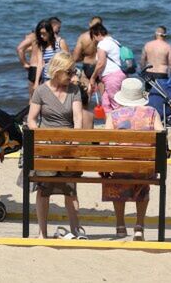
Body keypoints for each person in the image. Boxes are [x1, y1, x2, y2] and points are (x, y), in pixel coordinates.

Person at [26, 52, 85, 239]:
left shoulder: (74, 91)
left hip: (67, 147)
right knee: (44, 190)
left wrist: (74, 142)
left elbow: (77, 119)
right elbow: (32, 120)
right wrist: (43, 138)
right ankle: (42, 232)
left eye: (73, 71)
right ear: (58, 72)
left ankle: (76, 230)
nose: (73, 76)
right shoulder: (41, 91)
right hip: (46, 147)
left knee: (70, 190)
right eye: (69, 72)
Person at [102, 77, 164, 241]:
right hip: (144, 168)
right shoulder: (151, 112)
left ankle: (120, 225)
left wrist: (104, 166)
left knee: (117, 181)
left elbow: (104, 142)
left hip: (120, 167)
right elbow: (161, 135)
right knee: (142, 186)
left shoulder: (114, 115)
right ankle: (139, 226)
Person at [88, 23, 126, 113]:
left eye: (93, 37)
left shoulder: (102, 43)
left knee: (116, 105)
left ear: (97, 34)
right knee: (105, 102)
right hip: (119, 74)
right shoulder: (115, 42)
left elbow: (101, 63)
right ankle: (110, 123)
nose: (94, 40)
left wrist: (93, 78)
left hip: (112, 77)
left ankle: (120, 125)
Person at [31, 19, 64, 94]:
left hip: (59, 79)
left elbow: (68, 61)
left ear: (50, 32)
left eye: (44, 33)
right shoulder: (41, 46)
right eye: (40, 34)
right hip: (46, 79)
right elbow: (40, 64)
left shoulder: (60, 43)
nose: (42, 36)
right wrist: (36, 82)